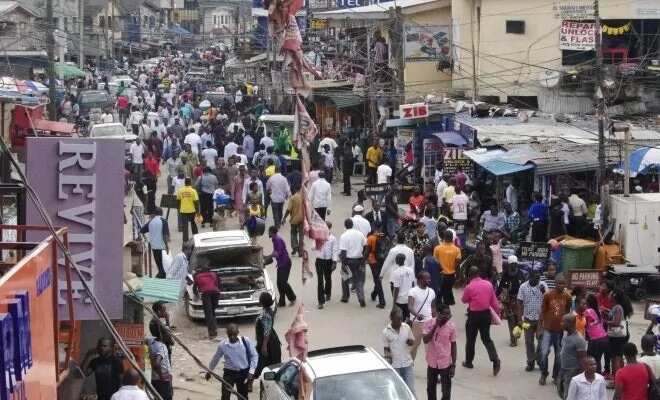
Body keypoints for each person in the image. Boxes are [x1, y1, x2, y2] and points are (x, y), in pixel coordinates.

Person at [461, 266, 501, 375]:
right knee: (486, 338)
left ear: (469, 275)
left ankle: (469, 362)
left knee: (471, 339)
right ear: (479, 274)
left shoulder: (469, 287)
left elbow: (463, 300)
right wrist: (497, 314)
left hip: (473, 315)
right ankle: (495, 359)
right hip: (486, 314)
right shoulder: (488, 284)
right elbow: (494, 302)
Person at [206, 324, 259, 400]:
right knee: (225, 396)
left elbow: (254, 355)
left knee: (242, 396)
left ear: (238, 332)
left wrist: (251, 372)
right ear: (227, 334)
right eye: (230, 335)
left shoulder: (245, 341)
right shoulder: (222, 345)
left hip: (243, 373)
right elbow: (215, 358)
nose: (232, 337)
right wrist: (209, 371)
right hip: (229, 373)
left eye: (234, 334)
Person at [539, 275, 572, 386]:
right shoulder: (548, 295)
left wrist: (567, 328)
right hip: (547, 329)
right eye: (559, 283)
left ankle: (556, 376)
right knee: (544, 353)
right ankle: (544, 373)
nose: (561, 286)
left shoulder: (567, 297)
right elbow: (543, 311)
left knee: (558, 355)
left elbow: (568, 312)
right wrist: (540, 328)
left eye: (563, 283)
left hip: (560, 331)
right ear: (555, 283)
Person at [423, 302, 457, 400]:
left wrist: (453, 365)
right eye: (445, 314)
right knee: (430, 389)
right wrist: (435, 326)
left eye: (449, 314)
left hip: (445, 363)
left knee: (446, 391)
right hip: (432, 362)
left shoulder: (451, 326)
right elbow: (425, 340)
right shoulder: (428, 323)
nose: (448, 316)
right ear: (438, 313)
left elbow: (454, 346)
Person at [517, 271, 547, 371]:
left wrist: (544, 292)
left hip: (541, 319)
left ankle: (539, 359)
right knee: (528, 341)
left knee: (541, 341)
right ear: (529, 277)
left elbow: (548, 301)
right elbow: (519, 303)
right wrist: (519, 319)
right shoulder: (523, 287)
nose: (538, 280)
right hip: (527, 319)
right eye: (536, 278)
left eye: (539, 278)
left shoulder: (543, 285)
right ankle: (530, 362)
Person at [382, 307, 415, 395]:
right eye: (398, 319)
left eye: (401, 318)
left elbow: (412, 341)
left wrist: (410, 342)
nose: (400, 321)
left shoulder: (406, 327)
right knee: (398, 392)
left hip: (407, 364)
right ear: (391, 318)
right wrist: (388, 359)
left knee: (411, 391)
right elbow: (386, 349)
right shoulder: (385, 332)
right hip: (395, 366)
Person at [339, 218, 368, 307]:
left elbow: (343, 252)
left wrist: (343, 264)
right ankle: (361, 298)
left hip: (348, 261)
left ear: (345, 226)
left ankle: (345, 297)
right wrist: (363, 261)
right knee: (359, 280)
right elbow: (366, 247)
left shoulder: (344, 236)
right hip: (359, 260)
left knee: (345, 278)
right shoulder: (360, 234)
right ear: (352, 225)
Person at [606, 289, 633, 379]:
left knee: (616, 358)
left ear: (614, 296)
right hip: (620, 335)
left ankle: (616, 379)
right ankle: (621, 377)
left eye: (610, 293)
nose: (609, 295)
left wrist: (605, 322)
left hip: (617, 336)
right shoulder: (617, 307)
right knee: (619, 357)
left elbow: (617, 322)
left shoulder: (617, 307)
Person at [408, 271, 436, 361]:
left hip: (429, 322)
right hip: (417, 323)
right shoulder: (413, 291)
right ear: (420, 280)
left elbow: (433, 306)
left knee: (430, 347)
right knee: (413, 346)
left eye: (429, 278)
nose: (429, 280)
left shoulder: (431, 291)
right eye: (427, 279)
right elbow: (410, 306)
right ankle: (409, 365)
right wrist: (417, 315)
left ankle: (432, 368)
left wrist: (435, 320)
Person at [559, 313, 588, 399]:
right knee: (562, 392)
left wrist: (582, 377)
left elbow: (583, 359)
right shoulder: (565, 334)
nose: (561, 323)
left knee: (569, 395)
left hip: (572, 372)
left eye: (563, 322)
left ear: (570, 324)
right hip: (563, 369)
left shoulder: (579, 339)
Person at [497, 256, 524, 347]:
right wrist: (496, 296)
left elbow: (525, 286)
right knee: (511, 320)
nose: (514, 265)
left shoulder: (520, 274)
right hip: (508, 300)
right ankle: (513, 340)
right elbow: (500, 287)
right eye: (512, 264)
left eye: (515, 264)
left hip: (519, 300)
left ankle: (517, 332)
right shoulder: (505, 275)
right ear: (509, 264)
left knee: (518, 320)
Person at [268, 226, 297, 307]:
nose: (268, 233)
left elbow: (277, 253)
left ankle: (292, 298)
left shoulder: (278, 240)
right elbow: (275, 251)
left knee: (283, 283)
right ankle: (282, 302)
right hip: (281, 263)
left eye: (269, 232)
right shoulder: (274, 239)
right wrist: (270, 255)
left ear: (272, 232)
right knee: (279, 283)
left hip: (285, 263)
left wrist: (268, 257)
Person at [254, 293, 281, 377]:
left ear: (261, 302)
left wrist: (264, 346)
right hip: (270, 341)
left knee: (262, 364)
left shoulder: (265, 315)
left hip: (268, 344)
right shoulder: (269, 311)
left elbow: (267, 331)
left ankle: (250, 382)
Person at [193, 263, 221, 339]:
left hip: (206, 294)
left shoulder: (197, 276)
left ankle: (212, 333)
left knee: (208, 314)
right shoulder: (214, 274)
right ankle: (214, 328)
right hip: (215, 294)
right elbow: (218, 285)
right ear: (209, 269)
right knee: (212, 311)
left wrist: (197, 295)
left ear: (201, 271)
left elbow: (194, 288)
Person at [140, 208, 169, 278]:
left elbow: (142, 230)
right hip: (162, 246)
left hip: (153, 246)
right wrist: (167, 246)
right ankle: (162, 276)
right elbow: (165, 235)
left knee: (159, 264)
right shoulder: (163, 221)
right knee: (165, 264)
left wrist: (146, 238)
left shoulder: (151, 221)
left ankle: (160, 274)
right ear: (161, 213)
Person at [434, 230, 461, 306]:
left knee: (440, 294)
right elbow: (458, 264)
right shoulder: (457, 249)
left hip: (440, 275)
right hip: (451, 276)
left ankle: (440, 309)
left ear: (444, 238)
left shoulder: (437, 248)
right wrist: (458, 277)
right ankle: (447, 308)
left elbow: (435, 262)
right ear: (452, 238)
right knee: (448, 292)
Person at [584, 294, 609, 374]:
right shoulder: (597, 311)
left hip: (596, 340)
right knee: (597, 360)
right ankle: (598, 376)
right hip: (604, 338)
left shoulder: (587, 311)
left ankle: (593, 377)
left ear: (588, 302)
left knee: (590, 359)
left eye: (585, 301)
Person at [315, 221, 338, 309]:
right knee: (320, 281)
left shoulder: (333, 238)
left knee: (328, 278)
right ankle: (321, 301)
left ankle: (328, 293)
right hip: (319, 261)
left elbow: (335, 250)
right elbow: (313, 247)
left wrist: (335, 262)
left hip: (329, 261)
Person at [367, 223, 387, 308]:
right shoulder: (383, 236)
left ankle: (382, 301)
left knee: (377, 280)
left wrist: (363, 261)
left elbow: (367, 251)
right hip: (382, 259)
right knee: (378, 278)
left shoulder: (371, 238)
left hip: (373, 260)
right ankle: (374, 294)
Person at [147, 335, 172, 400]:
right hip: (162, 380)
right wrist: (162, 377)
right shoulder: (162, 346)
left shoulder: (150, 340)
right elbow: (157, 364)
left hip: (154, 379)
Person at [392, 253, 416, 322]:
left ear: (397, 260)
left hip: (400, 300)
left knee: (401, 319)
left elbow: (396, 289)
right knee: (409, 317)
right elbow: (413, 284)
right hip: (409, 298)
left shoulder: (396, 272)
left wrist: (394, 303)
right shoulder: (410, 270)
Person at [176, 178, 199, 242]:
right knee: (194, 225)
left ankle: (185, 241)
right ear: (190, 183)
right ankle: (196, 239)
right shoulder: (193, 191)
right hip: (192, 211)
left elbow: (178, 201)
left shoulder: (180, 191)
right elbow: (196, 202)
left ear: (185, 183)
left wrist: (178, 210)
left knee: (185, 227)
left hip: (183, 211)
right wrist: (198, 213)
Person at [282, 187, 304, 256]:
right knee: (301, 235)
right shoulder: (303, 197)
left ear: (293, 190)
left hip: (294, 219)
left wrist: (284, 218)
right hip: (302, 219)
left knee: (293, 233)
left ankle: (295, 247)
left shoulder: (293, 198)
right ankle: (300, 251)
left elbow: (289, 209)